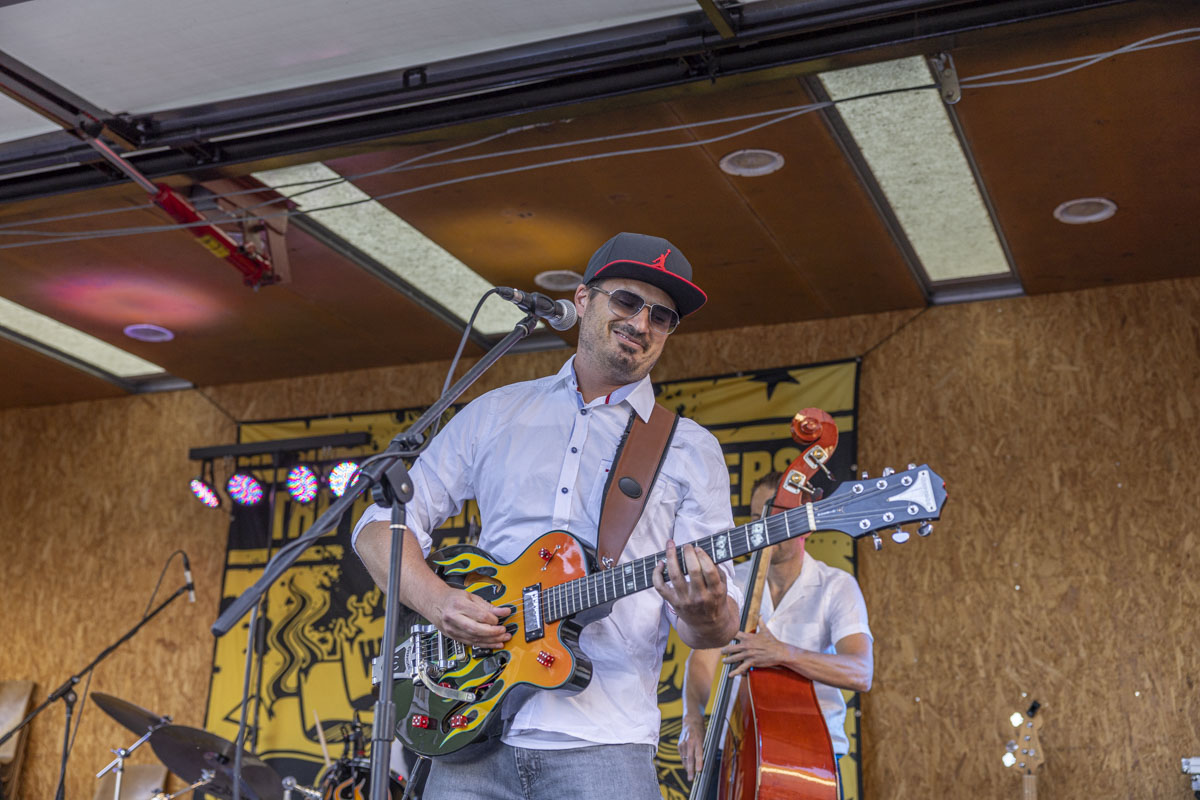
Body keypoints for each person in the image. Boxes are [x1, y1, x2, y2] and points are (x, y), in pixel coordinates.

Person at [353, 232, 742, 800]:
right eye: (627, 301)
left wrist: (706, 609)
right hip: (468, 730)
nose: (642, 323)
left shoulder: (690, 449)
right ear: (582, 300)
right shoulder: (496, 412)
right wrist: (437, 602)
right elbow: (379, 524)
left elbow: (712, 627)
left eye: (662, 316)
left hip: (605, 744)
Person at [678, 471, 873, 798]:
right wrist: (693, 720)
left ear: (806, 525)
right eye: (757, 519)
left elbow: (861, 672)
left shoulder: (836, 586)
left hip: (810, 758)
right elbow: (702, 662)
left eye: (776, 518)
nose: (763, 529)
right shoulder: (732, 584)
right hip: (731, 752)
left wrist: (783, 653)